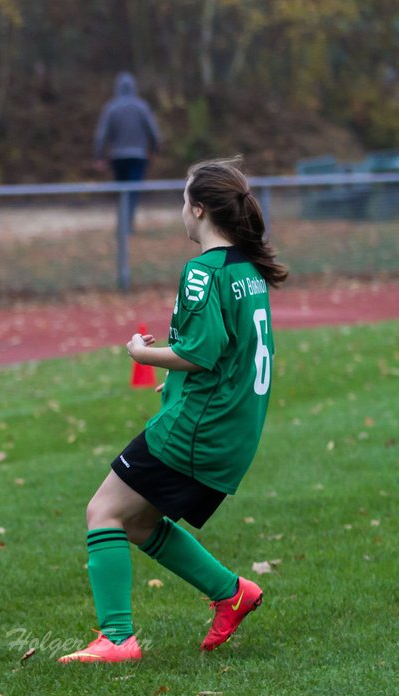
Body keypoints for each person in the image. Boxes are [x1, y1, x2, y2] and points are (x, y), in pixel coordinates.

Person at [58, 156, 287, 663]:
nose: (181, 209)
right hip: (230, 428)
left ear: (200, 210)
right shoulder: (247, 270)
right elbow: (223, 351)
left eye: (184, 199)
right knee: (136, 522)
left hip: (197, 428)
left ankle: (117, 639)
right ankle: (232, 593)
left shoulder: (203, 271)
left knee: (104, 512)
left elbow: (200, 355)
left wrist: (142, 354)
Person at [93, 71, 161, 230]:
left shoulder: (111, 108)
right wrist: (155, 149)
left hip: (117, 157)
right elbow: (153, 130)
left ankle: (124, 225)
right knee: (132, 192)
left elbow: (101, 135)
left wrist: (99, 156)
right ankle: (127, 225)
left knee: (122, 191)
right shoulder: (141, 107)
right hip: (138, 157)